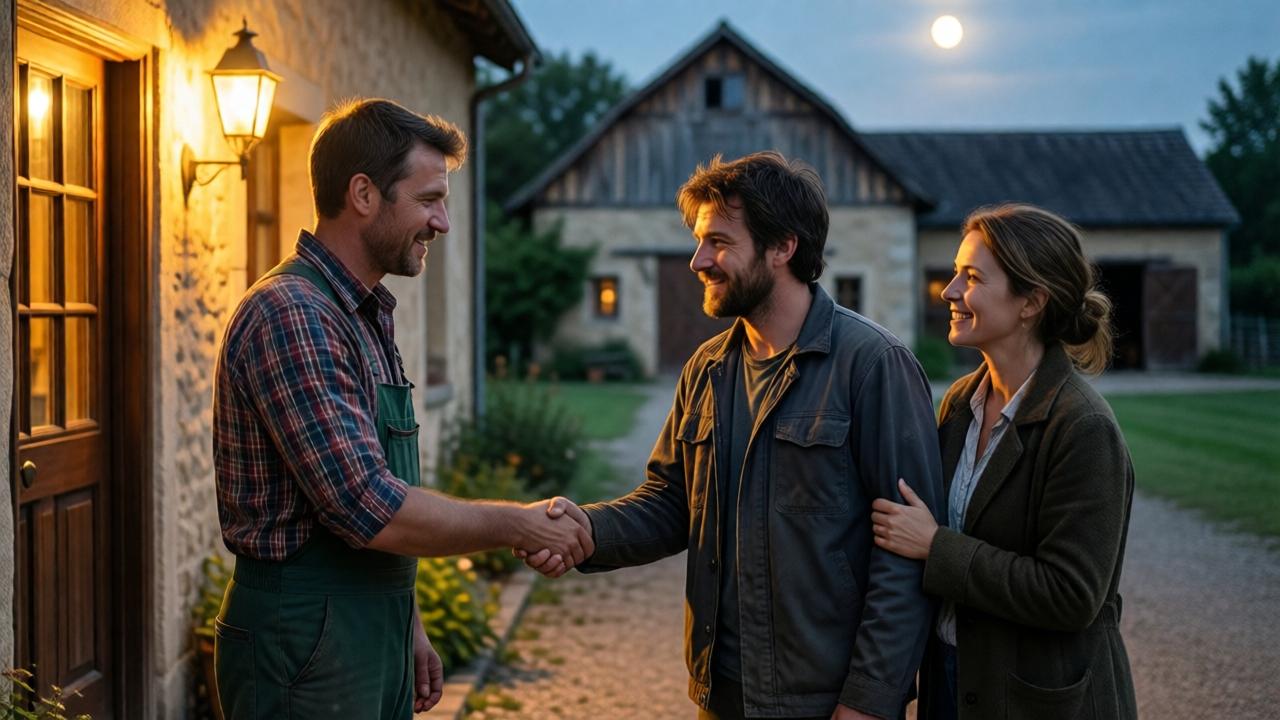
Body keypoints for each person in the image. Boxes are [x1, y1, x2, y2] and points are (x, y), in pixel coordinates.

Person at [526, 151, 945, 720]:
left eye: (719, 241)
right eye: (700, 241)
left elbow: (906, 556)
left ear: (783, 247)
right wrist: (585, 531)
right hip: (721, 693)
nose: (699, 260)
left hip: (823, 702)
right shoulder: (707, 368)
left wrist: (870, 701)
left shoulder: (873, 365)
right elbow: (672, 503)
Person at [211, 98, 592, 720]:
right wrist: (517, 524)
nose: (442, 222)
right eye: (428, 200)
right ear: (363, 194)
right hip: (305, 642)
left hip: (366, 631)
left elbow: (385, 486)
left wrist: (406, 622)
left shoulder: (363, 314)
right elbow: (366, 505)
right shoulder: (294, 316)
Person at [870, 203, 1138, 720]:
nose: (949, 292)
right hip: (954, 682)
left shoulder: (1083, 428)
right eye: (954, 274)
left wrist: (935, 547)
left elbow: (1071, 595)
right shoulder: (958, 405)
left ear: (1030, 301)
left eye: (971, 278)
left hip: (1042, 699)